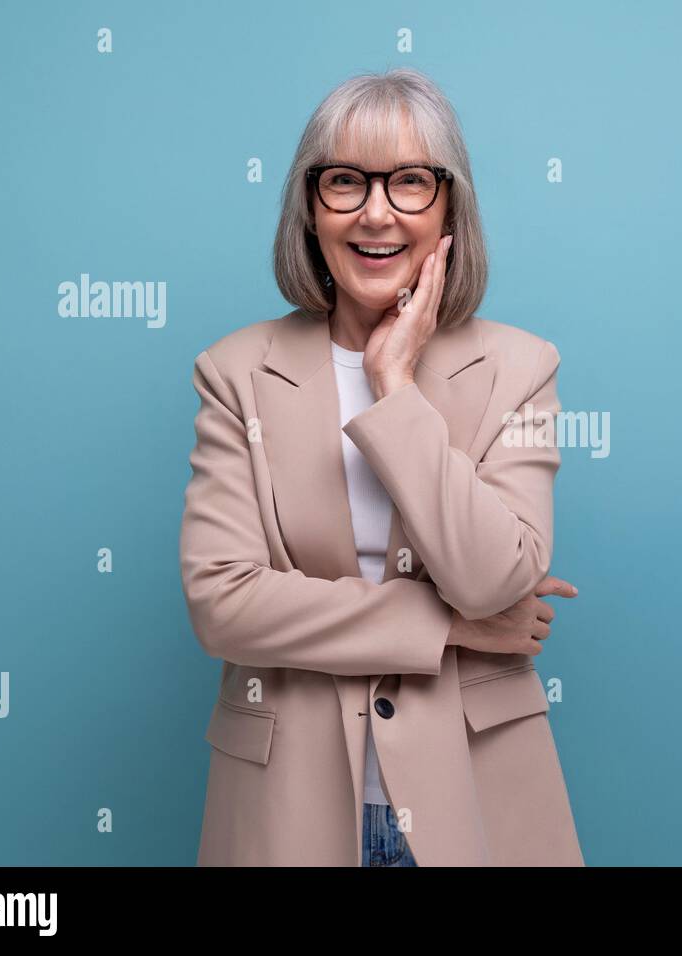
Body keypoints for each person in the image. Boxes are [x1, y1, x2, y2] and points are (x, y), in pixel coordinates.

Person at [178, 67, 584, 866]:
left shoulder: (520, 366)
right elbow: (223, 602)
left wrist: (392, 384)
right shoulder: (234, 370)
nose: (376, 211)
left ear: (448, 211)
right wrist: (446, 627)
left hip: (476, 796)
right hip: (286, 806)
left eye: (408, 183)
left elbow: (494, 580)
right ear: (309, 208)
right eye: (345, 183)